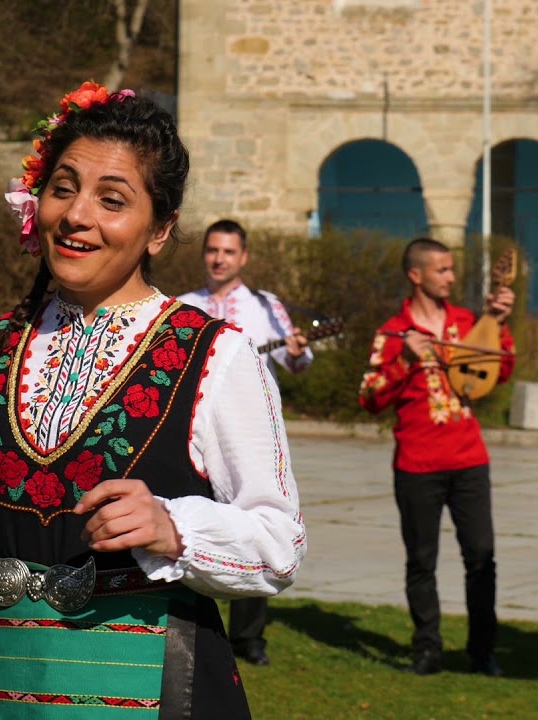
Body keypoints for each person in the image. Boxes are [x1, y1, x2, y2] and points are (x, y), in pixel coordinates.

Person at [0, 82, 306, 720]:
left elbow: (279, 542)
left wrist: (174, 528)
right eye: (63, 188)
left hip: (148, 692)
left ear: (161, 230)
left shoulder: (217, 356)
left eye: (112, 200)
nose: (76, 215)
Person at [358, 237, 513, 677]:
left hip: (469, 459)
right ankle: (427, 649)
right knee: (421, 561)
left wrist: (498, 323)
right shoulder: (392, 333)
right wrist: (404, 361)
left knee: (481, 554)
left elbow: (500, 370)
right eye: (442, 270)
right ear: (417, 275)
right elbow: (369, 397)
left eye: (451, 269)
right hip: (417, 465)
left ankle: (483, 651)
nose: (451, 277)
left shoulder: (467, 322)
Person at [177, 218, 311, 667]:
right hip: (192, 432)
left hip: (247, 436)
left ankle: (249, 637)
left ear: (243, 257)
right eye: (213, 250)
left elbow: (299, 363)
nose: (219, 259)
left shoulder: (265, 307)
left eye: (229, 252)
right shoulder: (182, 307)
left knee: (256, 518)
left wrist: (295, 353)